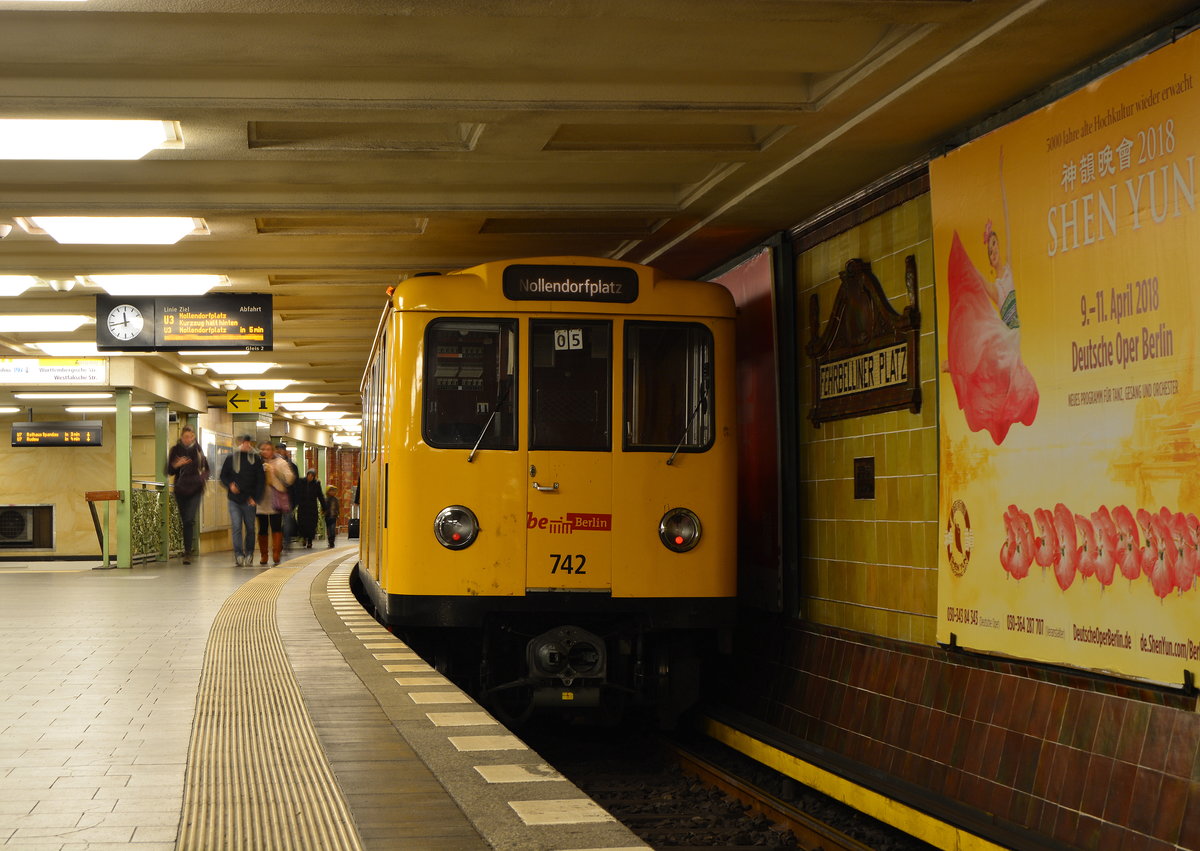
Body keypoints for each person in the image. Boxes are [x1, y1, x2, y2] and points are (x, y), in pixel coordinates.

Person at [165, 425, 209, 565]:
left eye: (190, 437)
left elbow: (207, 469)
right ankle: (187, 549)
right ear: (181, 437)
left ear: (193, 437)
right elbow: (168, 471)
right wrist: (176, 464)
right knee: (185, 521)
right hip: (181, 490)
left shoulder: (198, 450)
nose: (187, 439)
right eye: (185, 437)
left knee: (189, 519)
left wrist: (200, 479)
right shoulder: (175, 450)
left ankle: (188, 552)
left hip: (196, 489)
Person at [219, 435, 264, 566]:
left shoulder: (255, 459)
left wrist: (256, 498)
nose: (246, 445)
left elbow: (260, 481)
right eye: (244, 442)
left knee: (250, 527)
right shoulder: (231, 458)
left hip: (249, 500)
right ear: (239, 443)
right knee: (236, 526)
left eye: (248, 442)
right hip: (234, 500)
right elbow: (223, 476)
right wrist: (230, 485)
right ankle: (238, 554)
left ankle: (249, 552)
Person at [255, 441, 296, 565]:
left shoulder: (281, 462)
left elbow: (290, 478)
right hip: (262, 500)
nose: (265, 451)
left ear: (272, 451)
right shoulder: (257, 463)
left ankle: (276, 552)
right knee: (262, 528)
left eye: (267, 449)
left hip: (276, 499)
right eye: (262, 449)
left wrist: (276, 471)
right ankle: (264, 555)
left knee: (276, 526)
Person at [295, 469, 328, 548]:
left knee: (311, 525)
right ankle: (304, 538)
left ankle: (310, 541)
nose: (310, 477)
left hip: (312, 508)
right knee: (302, 523)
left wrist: (324, 507)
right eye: (308, 475)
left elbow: (320, 496)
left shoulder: (316, 484)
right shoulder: (301, 482)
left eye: (312, 476)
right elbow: (296, 493)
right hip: (302, 507)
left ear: (314, 477)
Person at [277, 445, 301, 550]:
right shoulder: (274, 464)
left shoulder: (291, 466)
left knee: (286, 521)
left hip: (287, 499)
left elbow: (296, 485)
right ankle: (282, 542)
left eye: (281, 451)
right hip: (277, 499)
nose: (279, 453)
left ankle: (285, 541)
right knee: (280, 522)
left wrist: (295, 500)